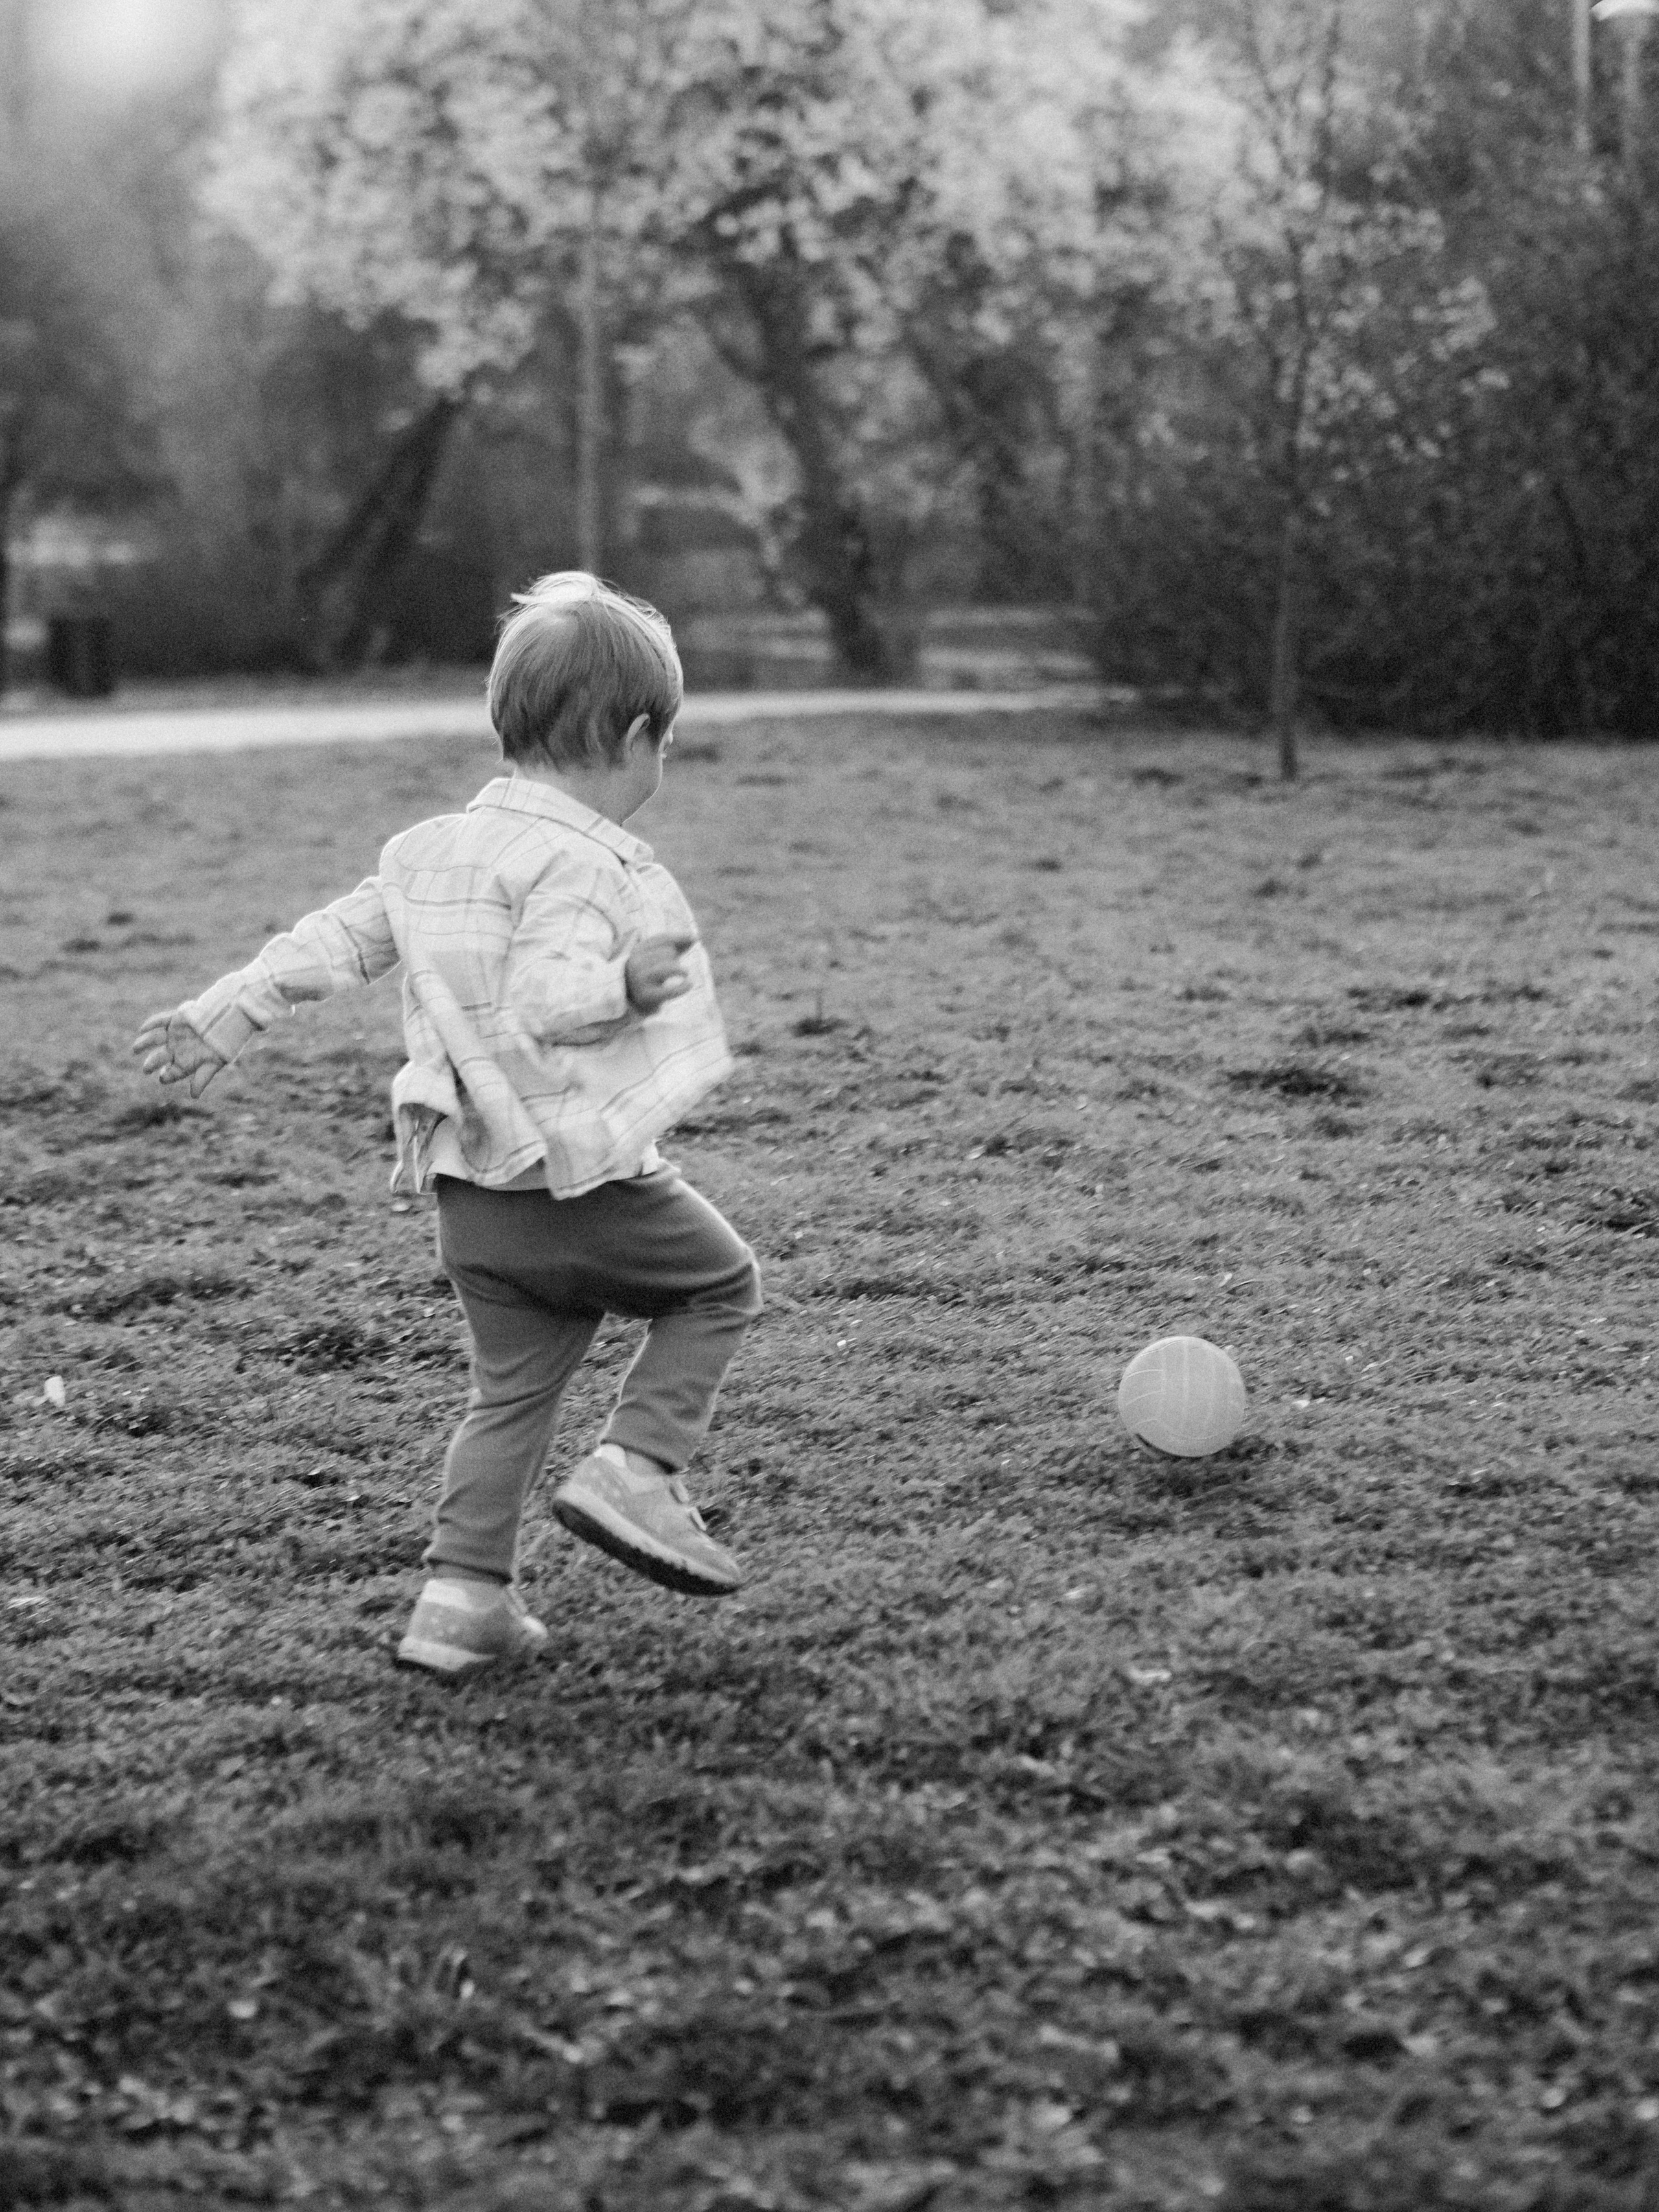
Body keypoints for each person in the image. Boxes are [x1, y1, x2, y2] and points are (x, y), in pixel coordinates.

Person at [132, 573, 763, 1675]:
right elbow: (544, 998)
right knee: (720, 1285)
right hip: (577, 1187)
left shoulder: (425, 851)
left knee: (510, 1396)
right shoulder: (580, 863)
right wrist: (619, 985)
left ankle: (462, 1602)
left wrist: (225, 1012)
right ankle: (637, 1469)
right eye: (664, 744)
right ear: (634, 738)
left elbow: (331, 944)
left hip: (472, 1203)